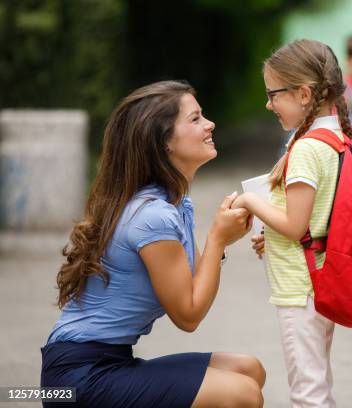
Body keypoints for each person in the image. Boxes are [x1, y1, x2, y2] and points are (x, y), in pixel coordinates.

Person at [40, 80, 265, 408]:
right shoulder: (152, 216)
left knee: (248, 369)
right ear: (164, 142)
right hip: (78, 378)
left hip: (111, 362)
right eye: (195, 119)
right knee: (239, 394)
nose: (209, 124)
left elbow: (192, 286)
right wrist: (217, 239)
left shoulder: (175, 204)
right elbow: (188, 316)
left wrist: (223, 239)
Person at [232, 39, 352, 407]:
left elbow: (295, 224)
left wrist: (251, 202)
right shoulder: (336, 138)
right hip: (319, 278)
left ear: (303, 94)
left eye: (274, 94)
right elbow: (318, 219)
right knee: (318, 383)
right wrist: (274, 232)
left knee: (308, 393)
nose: (268, 104)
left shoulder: (305, 148)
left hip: (300, 287)